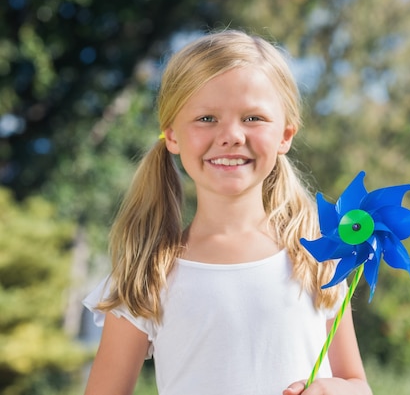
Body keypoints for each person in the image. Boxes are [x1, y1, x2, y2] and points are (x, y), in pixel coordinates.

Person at [82, 29, 372, 395]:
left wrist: (336, 390)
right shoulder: (146, 271)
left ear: (285, 134)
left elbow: (357, 384)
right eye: (206, 119)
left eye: (253, 118)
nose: (232, 135)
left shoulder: (320, 255)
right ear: (172, 135)